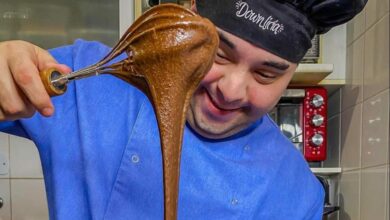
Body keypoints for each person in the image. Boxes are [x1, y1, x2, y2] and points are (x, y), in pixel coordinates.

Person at [0, 0, 366, 219]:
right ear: (187, 18)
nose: (231, 90)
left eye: (266, 74)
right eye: (219, 54)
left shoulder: (296, 193)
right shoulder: (88, 79)